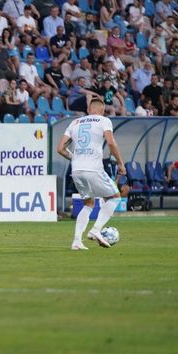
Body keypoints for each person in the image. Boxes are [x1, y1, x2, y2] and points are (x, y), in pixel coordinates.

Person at [57, 97, 127, 250]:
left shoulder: (74, 123)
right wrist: (121, 163)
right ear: (102, 111)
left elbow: (60, 148)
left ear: (89, 110)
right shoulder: (103, 121)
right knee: (115, 197)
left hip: (76, 170)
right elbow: (110, 142)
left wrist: (75, 157)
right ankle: (96, 230)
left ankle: (76, 241)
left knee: (88, 204)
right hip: (93, 168)